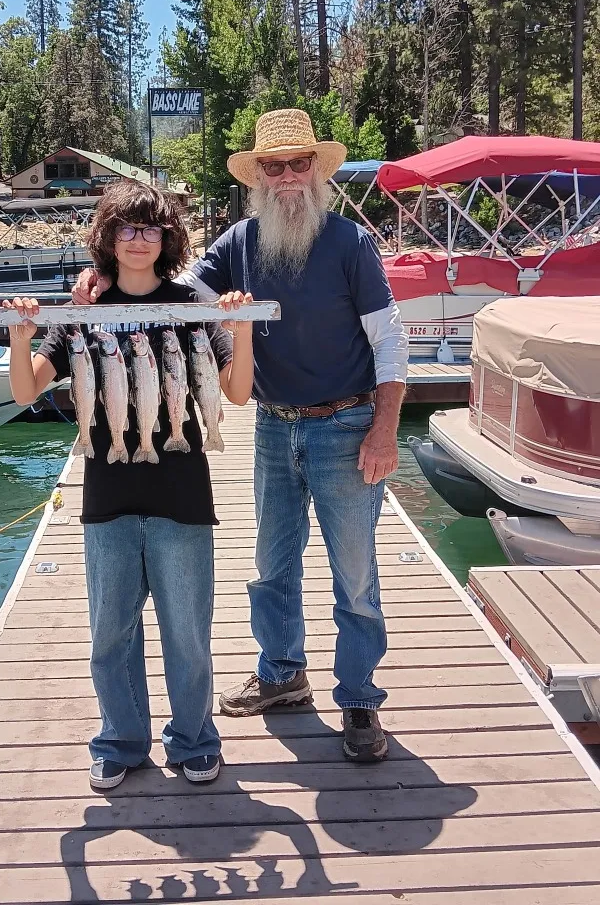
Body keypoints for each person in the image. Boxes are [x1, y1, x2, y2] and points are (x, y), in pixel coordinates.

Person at [73, 110, 409, 763]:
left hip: (347, 425)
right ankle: (282, 675)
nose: (287, 177)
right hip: (273, 429)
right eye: (274, 167)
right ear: (258, 176)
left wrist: (386, 430)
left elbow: (390, 342)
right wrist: (106, 286)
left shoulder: (350, 244)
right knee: (271, 567)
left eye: (298, 164)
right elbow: (176, 295)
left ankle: (361, 698)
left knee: (357, 574)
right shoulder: (240, 244)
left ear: (317, 170)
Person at [5, 180, 254, 789]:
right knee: (109, 633)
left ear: (166, 238)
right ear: (107, 238)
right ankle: (120, 740)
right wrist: (21, 338)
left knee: (187, 633)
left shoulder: (191, 309)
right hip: (107, 496)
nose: (138, 238)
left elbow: (238, 391)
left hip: (183, 495)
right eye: (126, 228)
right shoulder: (83, 316)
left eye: (150, 228)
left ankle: (195, 740)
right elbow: (25, 390)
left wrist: (240, 326)